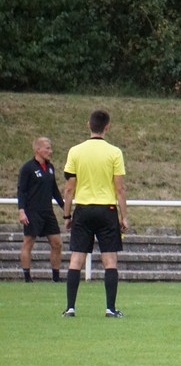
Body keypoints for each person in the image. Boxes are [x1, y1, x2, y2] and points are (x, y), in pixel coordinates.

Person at [61, 110, 128, 318]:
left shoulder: (75, 151)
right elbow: (120, 188)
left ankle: (70, 307)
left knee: (76, 259)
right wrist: (123, 216)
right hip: (106, 209)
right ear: (107, 127)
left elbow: (69, 188)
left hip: (83, 209)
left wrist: (67, 215)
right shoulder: (114, 152)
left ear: (88, 125)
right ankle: (110, 308)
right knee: (110, 261)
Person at [17, 137, 65, 283]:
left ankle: (56, 278)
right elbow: (22, 190)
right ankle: (27, 277)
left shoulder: (50, 168)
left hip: (47, 211)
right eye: (47, 148)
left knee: (57, 243)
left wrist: (65, 208)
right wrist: (21, 210)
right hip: (32, 211)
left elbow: (54, 190)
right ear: (38, 150)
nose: (50, 151)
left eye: (50, 148)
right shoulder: (28, 168)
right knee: (28, 242)